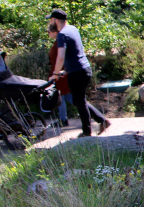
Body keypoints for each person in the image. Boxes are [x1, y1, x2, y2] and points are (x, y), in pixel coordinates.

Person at [46, 9, 110, 138]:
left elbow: (61, 57)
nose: (50, 22)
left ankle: (87, 132)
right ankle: (102, 121)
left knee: (79, 102)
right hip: (83, 69)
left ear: (56, 20)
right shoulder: (73, 29)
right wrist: (66, 71)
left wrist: (56, 74)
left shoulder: (62, 34)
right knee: (79, 101)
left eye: (51, 19)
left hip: (77, 72)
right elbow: (75, 53)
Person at [47, 25, 74, 127]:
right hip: (60, 73)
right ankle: (90, 112)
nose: (48, 34)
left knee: (61, 96)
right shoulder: (58, 42)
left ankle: (63, 119)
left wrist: (56, 73)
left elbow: (59, 59)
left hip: (60, 74)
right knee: (68, 96)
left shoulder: (59, 43)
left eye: (48, 32)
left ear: (54, 32)